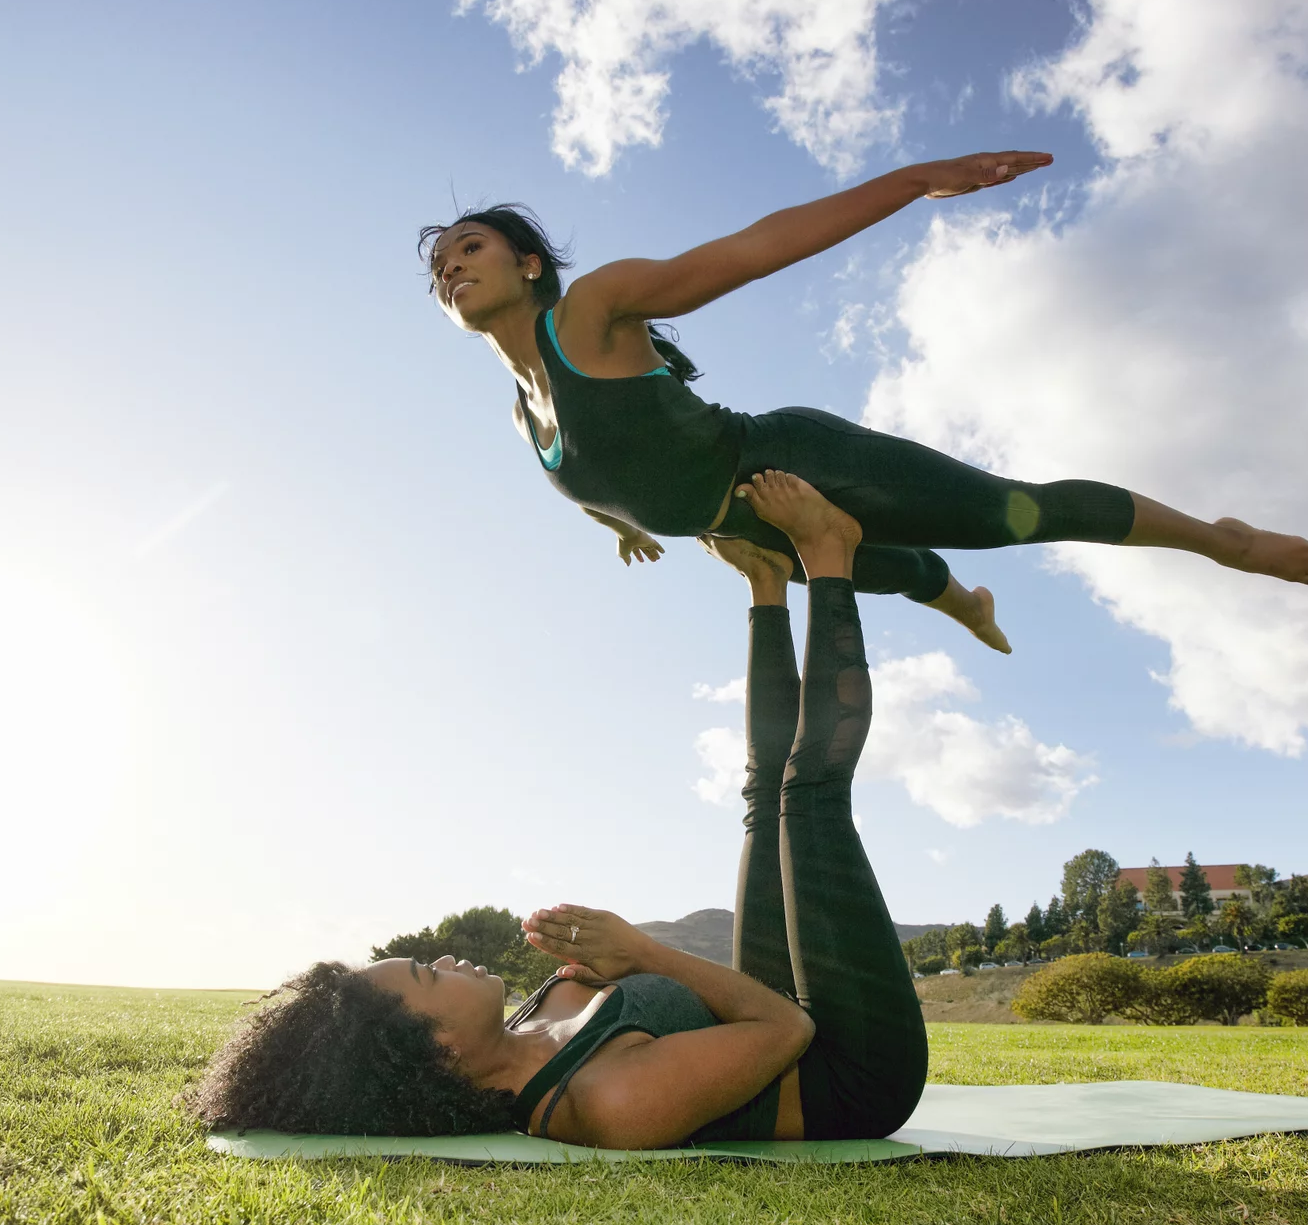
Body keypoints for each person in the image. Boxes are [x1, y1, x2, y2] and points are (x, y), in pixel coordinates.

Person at [188, 474, 926, 1146]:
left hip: (782, 1021)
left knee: (764, 800)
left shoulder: (524, 1027)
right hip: (851, 1073)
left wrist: (609, 961)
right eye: (425, 972)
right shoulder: (603, 1103)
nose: (443, 956)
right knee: (808, 796)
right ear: (436, 1048)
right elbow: (787, 1026)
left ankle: (768, 586)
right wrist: (640, 954)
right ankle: (829, 553)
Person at [419, 153, 1308, 654]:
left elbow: (753, 248)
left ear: (528, 264)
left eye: (469, 247)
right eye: (440, 266)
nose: (453, 265)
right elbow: (598, 472)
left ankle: (1225, 541)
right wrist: (618, 523)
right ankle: (967, 605)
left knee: (1014, 513)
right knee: (884, 571)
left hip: (791, 464)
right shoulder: (521, 414)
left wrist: (909, 182)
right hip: (748, 527)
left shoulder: (592, 312)